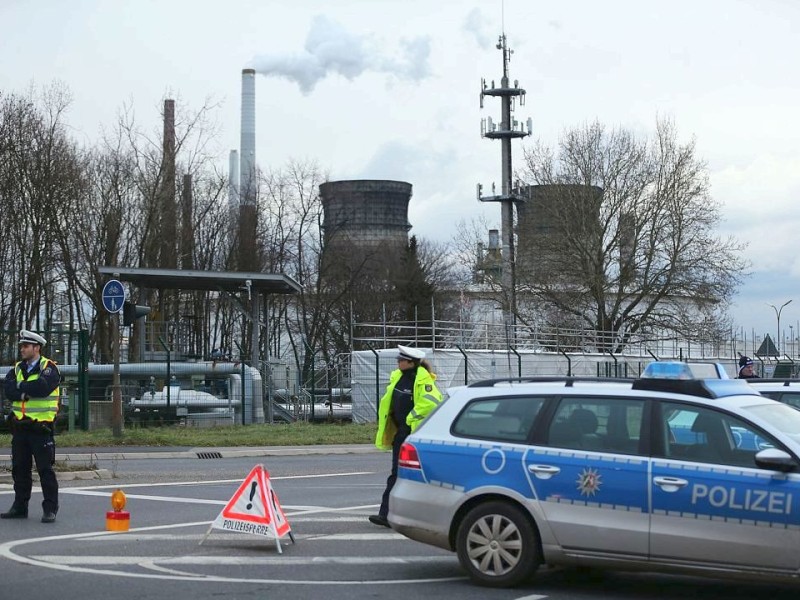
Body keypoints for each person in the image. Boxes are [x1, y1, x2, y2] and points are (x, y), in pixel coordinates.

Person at [369, 345, 443, 527]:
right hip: (401, 434)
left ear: (410, 363)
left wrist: (410, 419)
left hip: (415, 435)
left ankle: (427, 516)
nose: (398, 362)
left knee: (416, 476)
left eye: (400, 360)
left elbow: (431, 404)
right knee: (397, 473)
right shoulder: (398, 378)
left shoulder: (422, 381)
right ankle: (385, 514)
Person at [1, 330, 61, 523]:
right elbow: (8, 390)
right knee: (19, 470)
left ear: (37, 348)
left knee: (45, 470)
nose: (22, 349)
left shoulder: (49, 367)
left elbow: (43, 388)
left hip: (41, 428)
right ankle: (20, 507)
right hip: (20, 428)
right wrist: (24, 392)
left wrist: (20, 388)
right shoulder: (17, 368)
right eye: (21, 346)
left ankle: (50, 509)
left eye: (26, 346)